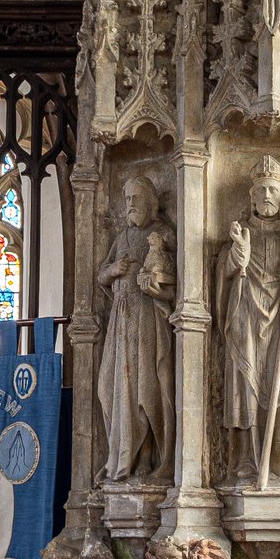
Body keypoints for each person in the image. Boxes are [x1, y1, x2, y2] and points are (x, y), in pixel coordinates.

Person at [216, 156, 280, 484]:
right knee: (245, 386)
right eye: (260, 190)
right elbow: (223, 274)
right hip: (246, 315)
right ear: (251, 198)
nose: (266, 196)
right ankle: (246, 459)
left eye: (273, 190)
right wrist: (236, 258)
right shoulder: (242, 232)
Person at [97, 175, 176, 482]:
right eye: (127, 199)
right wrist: (114, 270)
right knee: (113, 388)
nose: (130, 205)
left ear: (150, 202)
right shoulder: (122, 237)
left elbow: (175, 283)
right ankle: (120, 457)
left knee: (146, 387)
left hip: (147, 320)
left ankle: (147, 456)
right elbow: (103, 273)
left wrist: (154, 285)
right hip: (121, 320)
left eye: (136, 199)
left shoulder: (163, 233)